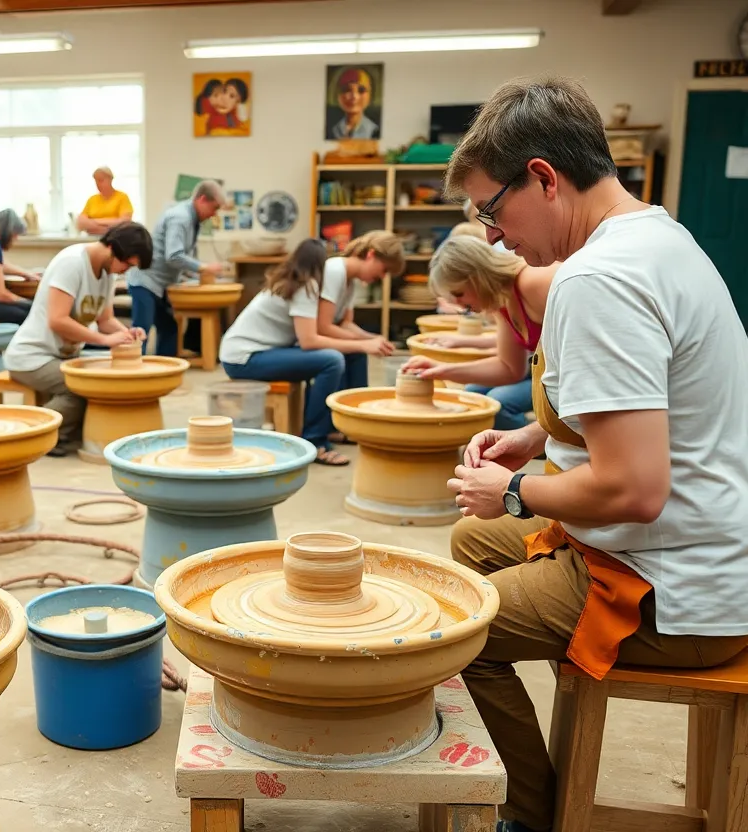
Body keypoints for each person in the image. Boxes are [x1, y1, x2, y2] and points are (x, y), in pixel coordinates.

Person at [443, 75, 748, 832]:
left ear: (543, 177)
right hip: (700, 548)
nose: (493, 236)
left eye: (492, 209)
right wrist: (531, 437)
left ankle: (535, 813)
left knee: (449, 632)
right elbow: (641, 400)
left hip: (673, 589)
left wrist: (513, 493)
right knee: (468, 542)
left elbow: (634, 489)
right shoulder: (657, 236)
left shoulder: (595, 280)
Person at [219, 239, 400, 466]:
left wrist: (367, 341)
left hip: (261, 351)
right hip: (244, 358)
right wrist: (363, 344)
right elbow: (309, 341)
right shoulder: (306, 287)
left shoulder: (300, 282)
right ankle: (315, 441)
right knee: (331, 360)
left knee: (346, 354)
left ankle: (340, 425)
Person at [3, 223, 153, 457]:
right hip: (32, 356)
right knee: (80, 389)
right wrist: (105, 340)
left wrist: (127, 332)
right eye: (127, 264)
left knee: (103, 383)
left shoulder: (108, 273)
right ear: (112, 248)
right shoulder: (72, 262)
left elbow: (105, 320)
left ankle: (62, 434)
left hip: (63, 356)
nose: (125, 271)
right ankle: (28, 436)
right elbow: (58, 320)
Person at [402, 235, 555, 432]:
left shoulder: (534, 282)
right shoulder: (504, 301)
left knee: (497, 403)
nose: (458, 305)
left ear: (478, 277)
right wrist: (441, 369)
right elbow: (509, 369)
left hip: (580, 377)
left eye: (458, 294)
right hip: (550, 374)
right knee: (472, 393)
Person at [127, 180, 228, 357]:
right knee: (140, 332)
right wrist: (204, 268)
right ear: (202, 199)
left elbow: (182, 258)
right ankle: (132, 374)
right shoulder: (180, 217)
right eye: (214, 208)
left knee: (169, 329)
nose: (214, 214)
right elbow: (174, 256)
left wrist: (198, 274)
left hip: (161, 284)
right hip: (146, 281)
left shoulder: (193, 219)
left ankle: (164, 370)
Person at [314, 231, 401, 389]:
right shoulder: (335, 270)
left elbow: (345, 324)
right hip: (304, 341)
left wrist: (373, 338)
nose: (383, 276)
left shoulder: (351, 281)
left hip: (318, 339)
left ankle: (356, 406)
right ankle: (339, 409)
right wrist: (364, 342)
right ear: (371, 255)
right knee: (344, 355)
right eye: (385, 269)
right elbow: (323, 327)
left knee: (357, 352)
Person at [75, 167, 134, 235]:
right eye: (96, 181)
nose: (97, 184)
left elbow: (125, 221)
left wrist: (93, 222)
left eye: (100, 180)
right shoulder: (92, 199)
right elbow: (80, 223)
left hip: (116, 238)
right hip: (93, 239)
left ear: (110, 179)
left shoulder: (122, 197)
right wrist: (108, 226)